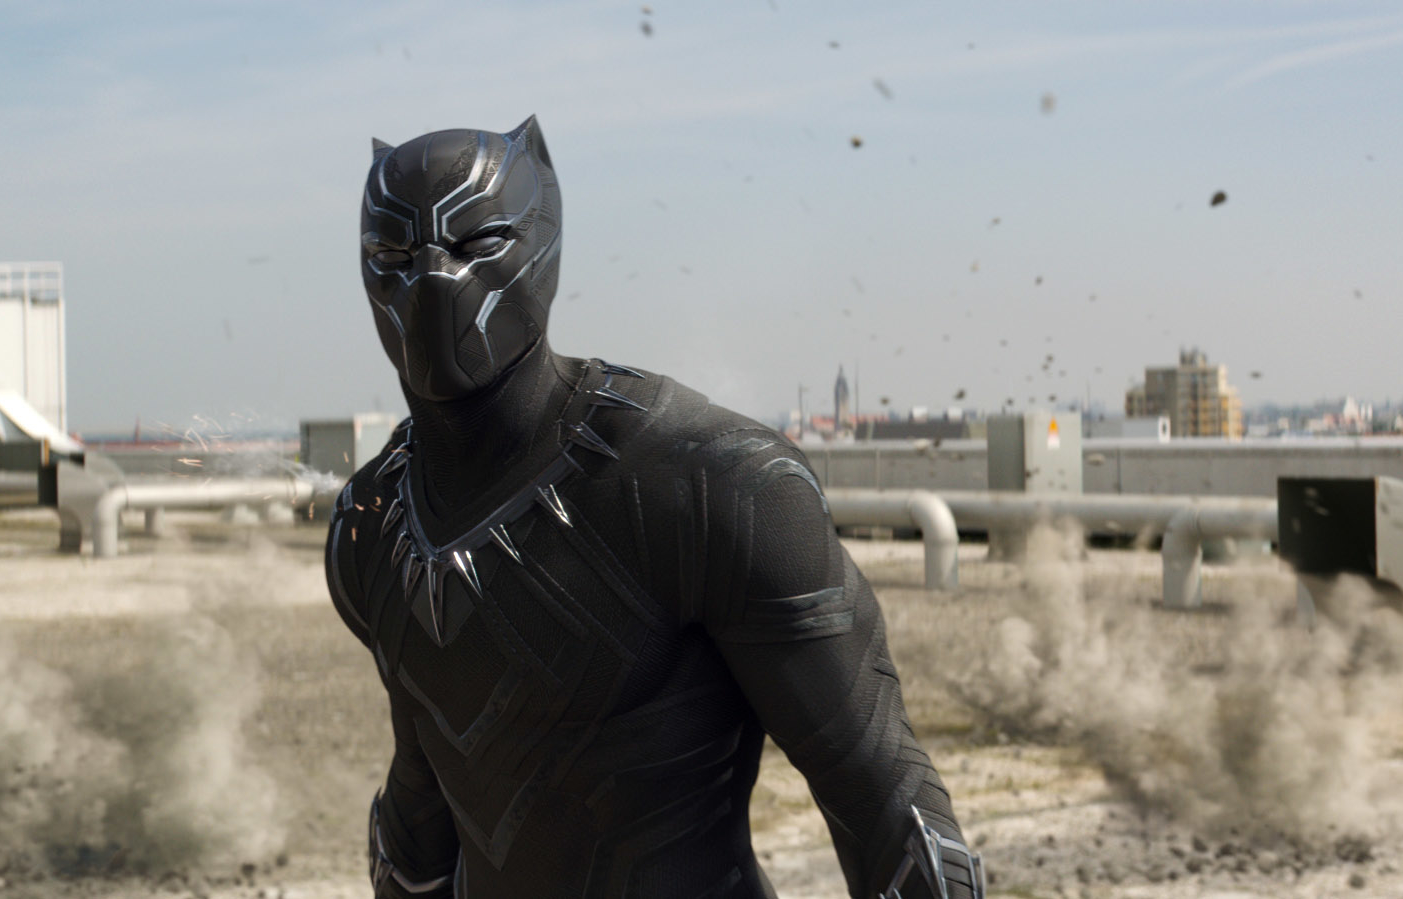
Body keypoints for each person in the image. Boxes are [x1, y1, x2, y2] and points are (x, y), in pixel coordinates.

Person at [324, 116, 984, 899]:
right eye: (394, 256)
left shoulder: (712, 485)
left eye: (475, 242)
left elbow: (894, 816)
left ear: (540, 242)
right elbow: (427, 788)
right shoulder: (374, 523)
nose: (434, 279)